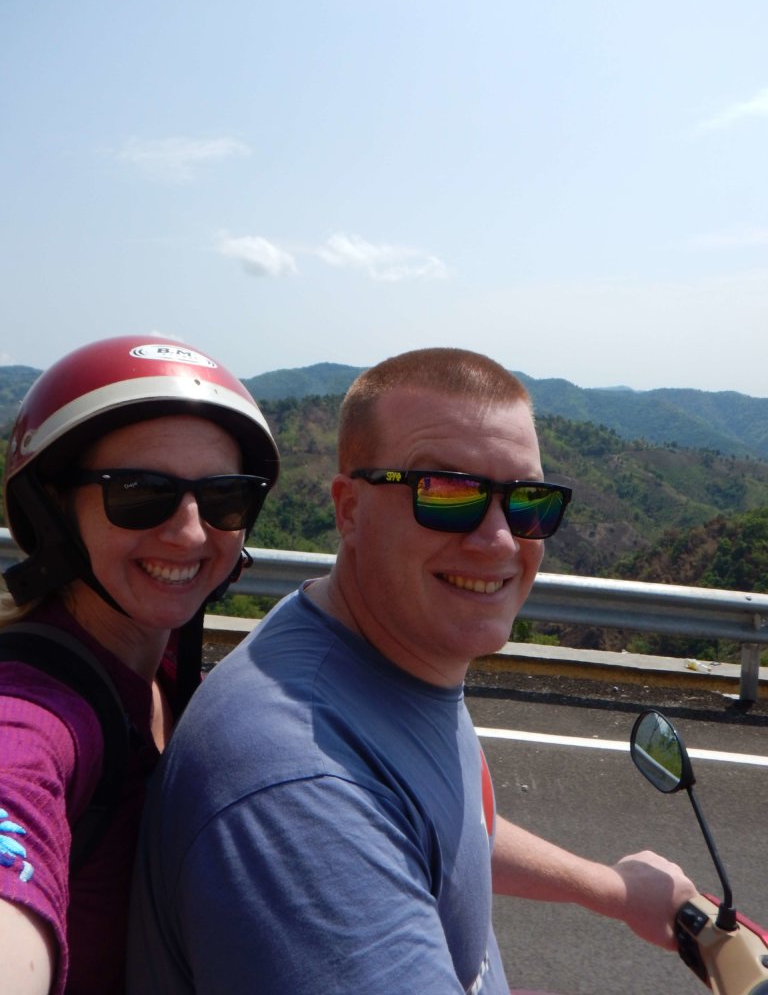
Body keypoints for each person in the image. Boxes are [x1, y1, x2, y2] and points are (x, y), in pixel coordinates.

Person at [128, 347, 696, 994]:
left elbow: (437, 827)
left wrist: (612, 890)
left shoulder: (379, 654)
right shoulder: (296, 787)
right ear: (349, 510)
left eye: (528, 502)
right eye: (447, 494)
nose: (500, 541)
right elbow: (355, 821)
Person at [0, 335, 279, 995]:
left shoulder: (175, 681)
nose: (188, 532)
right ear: (54, 509)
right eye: (139, 492)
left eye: (224, 499)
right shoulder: (35, 712)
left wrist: (578, 879)